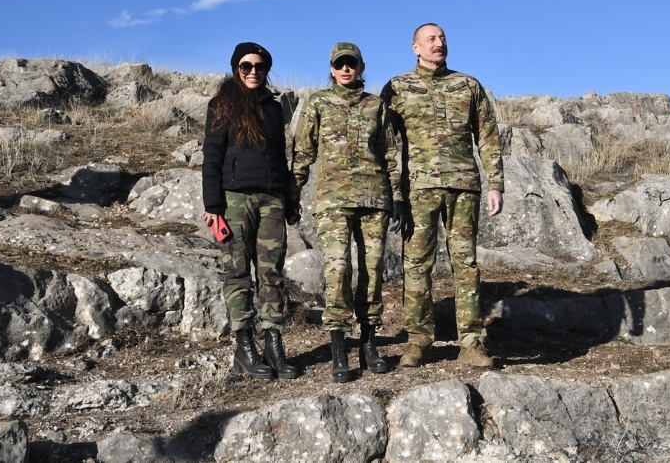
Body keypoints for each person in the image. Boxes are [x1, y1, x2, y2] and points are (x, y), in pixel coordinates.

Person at [382, 23, 504, 368]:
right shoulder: (397, 87)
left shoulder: (468, 85)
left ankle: (472, 343)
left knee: (466, 264)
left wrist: (496, 183)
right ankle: (418, 341)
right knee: (416, 264)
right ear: (415, 47)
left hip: (464, 187)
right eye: (431, 39)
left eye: (443, 38)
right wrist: (395, 193)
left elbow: (488, 136)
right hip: (418, 190)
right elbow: (387, 144)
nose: (439, 43)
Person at [291, 42, 402, 383]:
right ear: (331, 68)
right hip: (333, 201)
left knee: (372, 272)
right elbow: (302, 151)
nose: (345, 69)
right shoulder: (318, 103)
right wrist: (293, 191)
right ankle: (339, 349)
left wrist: (397, 195)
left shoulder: (376, 106)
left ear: (361, 67)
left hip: (374, 200)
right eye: (339, 64)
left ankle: (369, 345)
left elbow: (390, 154)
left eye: (351, 63)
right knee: (338, 271)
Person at [202, 42, 300, 380]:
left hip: (272, 199)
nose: (253, 72)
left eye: (260, 66)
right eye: (246, 66)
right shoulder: (221, 105)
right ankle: (244, 349)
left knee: (272, 272)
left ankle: (274, 346)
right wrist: (212, 206)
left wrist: (290, 200)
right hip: (234, 200)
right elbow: (211, 157)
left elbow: (281, 156)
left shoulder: (273, 107)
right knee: (238, 272)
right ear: (236, 69)